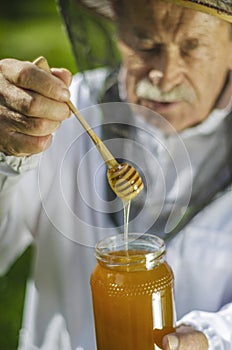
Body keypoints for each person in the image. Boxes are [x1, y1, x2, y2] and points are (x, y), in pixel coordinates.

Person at [0, 0, 232, 349]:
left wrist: (214, 337)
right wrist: (6, 151)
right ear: (119, 31)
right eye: (145, 43)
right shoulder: (61, 114)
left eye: (192, 47)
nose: (165, 75)